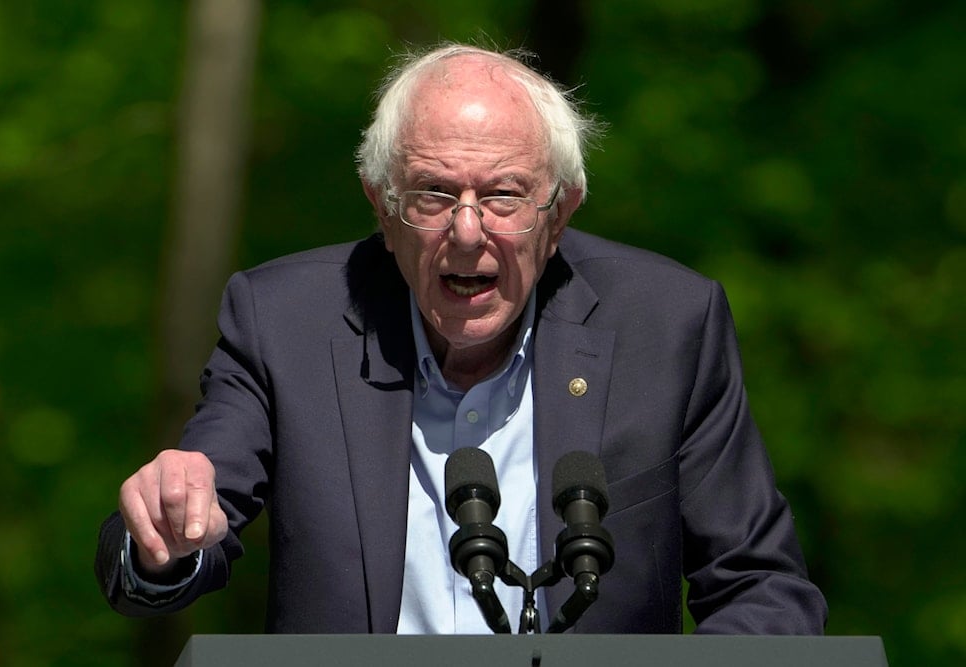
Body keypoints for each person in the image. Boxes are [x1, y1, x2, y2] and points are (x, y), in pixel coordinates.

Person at [95, 43, 828, 634]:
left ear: (559, 210)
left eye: (503, 195)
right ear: (382, 208)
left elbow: (763, 587)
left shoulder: (667, 325)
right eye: (434, 194)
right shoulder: (281, 320)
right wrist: (166, 534)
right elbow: (182, 528)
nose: (468, 232)